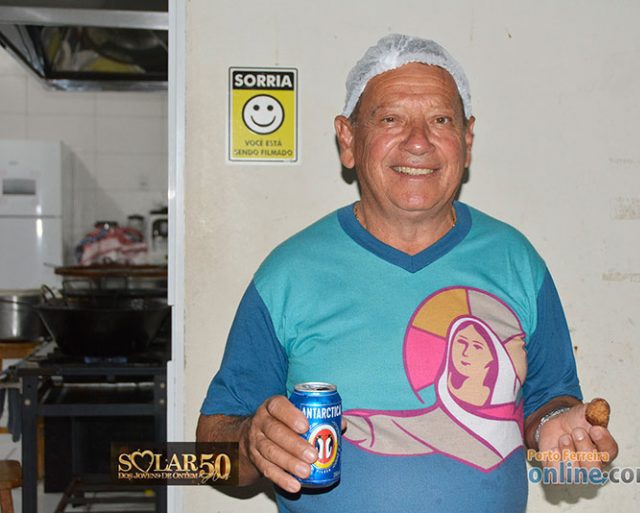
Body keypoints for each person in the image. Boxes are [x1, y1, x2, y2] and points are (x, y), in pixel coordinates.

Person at [197, 33, 618, 512]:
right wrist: (251, 443)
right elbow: (209, 452)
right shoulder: (289, 274)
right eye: (390, 119)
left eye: (440, 120)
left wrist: (557, 426)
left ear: (467, 140)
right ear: (348, 140)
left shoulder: (516, 261)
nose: (418, 142)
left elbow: (549, 397)